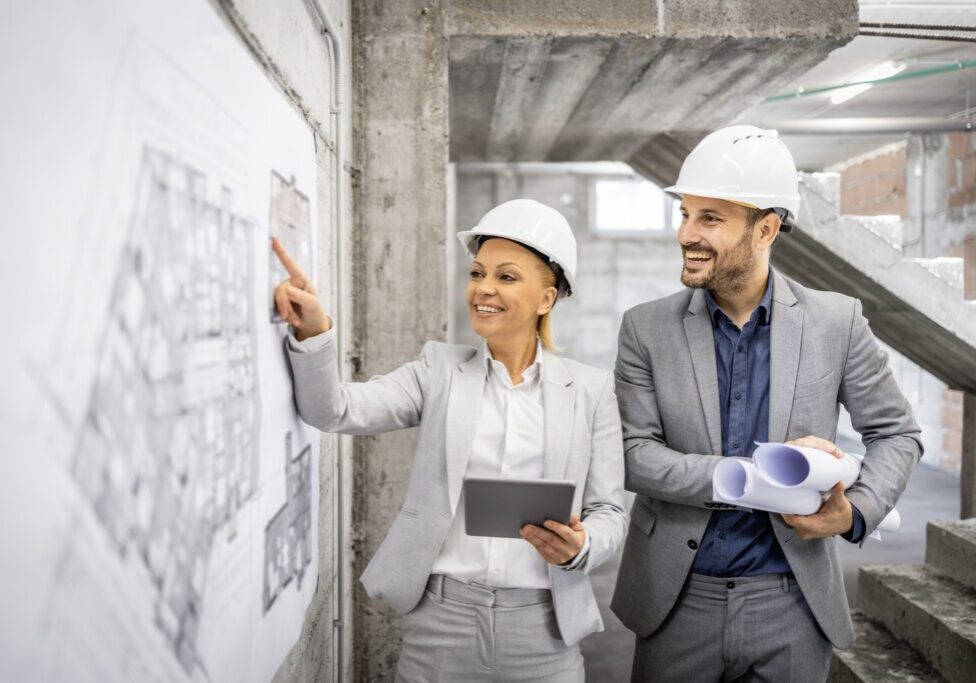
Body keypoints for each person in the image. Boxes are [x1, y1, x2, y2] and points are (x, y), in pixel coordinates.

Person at [610, 125, 922, 682]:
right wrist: (746, 477)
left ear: (767, 228)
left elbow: (897, 432)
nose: (687, 233)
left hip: (791, 600)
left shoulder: (836, 321)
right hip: (677, 599)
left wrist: (857, 512)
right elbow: (633, 454)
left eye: (710, 218)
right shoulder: (644, 328)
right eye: (685, 213)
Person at [273, 198, 627, 682]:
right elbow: (333, 410)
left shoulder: (589, 389)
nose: (483, 288)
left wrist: (582, 547)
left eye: (506, 277)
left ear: (546, 299)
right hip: (440, 624)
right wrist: (314, 330)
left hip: (543, 630)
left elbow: (610, 510)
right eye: (478, 273)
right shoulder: (438, 370)